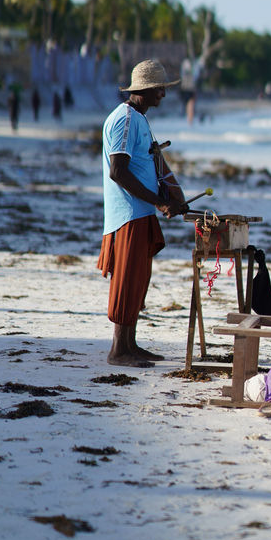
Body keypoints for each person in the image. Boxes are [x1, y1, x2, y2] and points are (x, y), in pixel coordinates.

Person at [97, 59, 189, 367]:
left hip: (141, 210)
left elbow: (147, 162)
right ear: (147, 90)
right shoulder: (124, 118)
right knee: (126, 279)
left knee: (138, 278)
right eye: (160, 88)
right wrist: (160, 202)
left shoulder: (139, 117)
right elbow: (118, 172)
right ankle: (118, 351)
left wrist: (170, 195)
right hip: (128, 213)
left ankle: (130, 344)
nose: (164, 93)